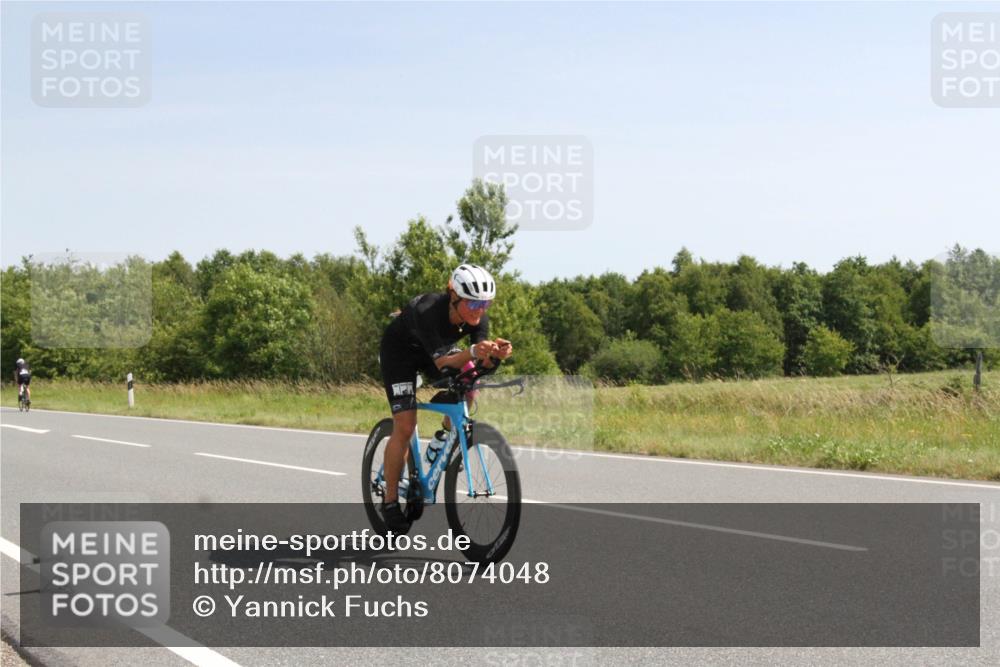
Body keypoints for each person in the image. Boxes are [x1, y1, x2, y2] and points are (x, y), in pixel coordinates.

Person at [378, 264, 513, 533]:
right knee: (405, 426)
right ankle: (390, 500)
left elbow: (476, 360)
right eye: (473, 304)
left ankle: (444, 438)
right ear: (454, 296)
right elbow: (443, 363)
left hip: (435, 353)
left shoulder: (478, 319)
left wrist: (494, 355)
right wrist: (475, 350)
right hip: (400, 355)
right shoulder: (428, 310)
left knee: (470, 382)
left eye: (485, 303)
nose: (480, 310)